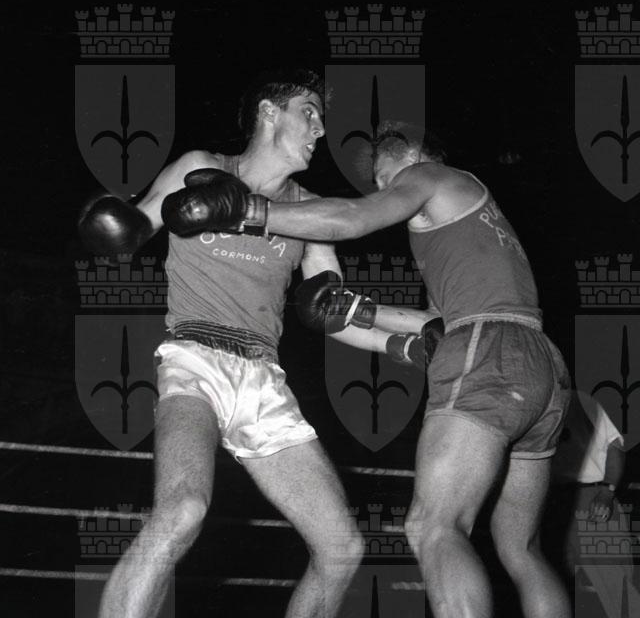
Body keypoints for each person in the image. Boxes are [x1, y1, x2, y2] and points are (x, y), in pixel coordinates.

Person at [78, 73, 439, 618]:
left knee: (341, 548)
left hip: (263, 378)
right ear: (270, 112)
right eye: (308, 112)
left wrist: (406, 345)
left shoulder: (308, 211)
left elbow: (333, 312)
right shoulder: (201, 166)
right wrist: (111, 222)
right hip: (194, 359)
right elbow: (132, 228)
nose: (320, 130)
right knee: (182, 510)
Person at [193, 121, 574, 618]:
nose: (380, 188)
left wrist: (249, 210)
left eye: (382, 176)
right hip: (542, 364)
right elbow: (439, 325)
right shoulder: (467, 215)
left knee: (433, 526)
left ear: (409, 156)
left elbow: (353, 219)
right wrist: (358, 311)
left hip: (490, 350)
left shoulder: (428, 176)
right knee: (521, 548)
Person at [545, 390, 640, 618]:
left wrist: (606, 492)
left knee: (614, 589)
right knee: (570, 586)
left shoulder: (584, 402)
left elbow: (615, 446)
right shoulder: (540, 402)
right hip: (554, 501)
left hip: (591, 499)